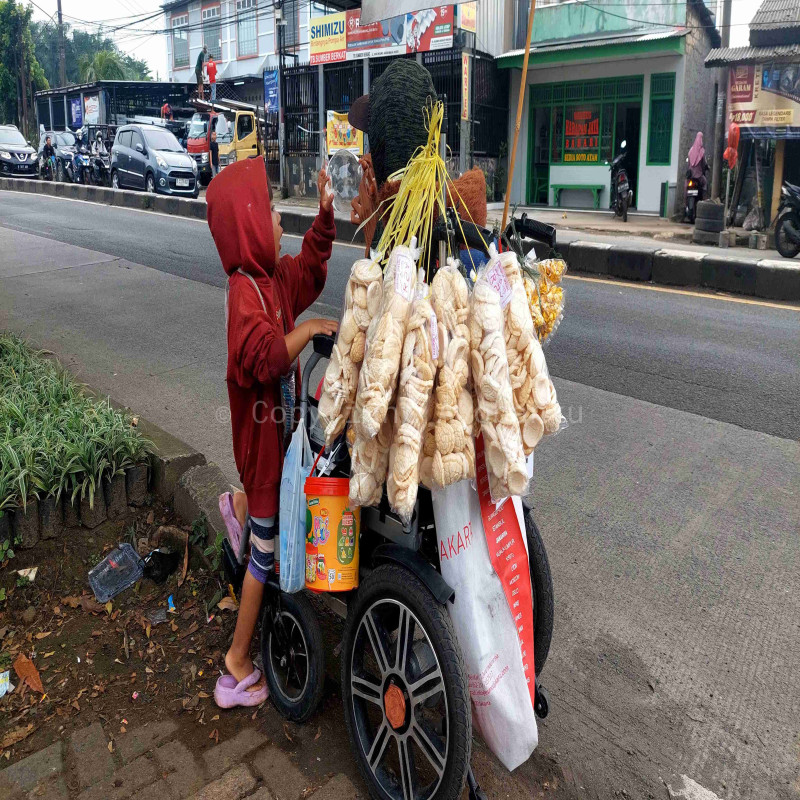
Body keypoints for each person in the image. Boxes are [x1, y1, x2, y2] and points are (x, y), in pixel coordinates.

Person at [208, 158, 336, 707]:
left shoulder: (270, 279)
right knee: (263, 556)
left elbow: (307, 269)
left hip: (275, 440)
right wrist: (307, 330)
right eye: (272, 212)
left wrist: (325, 215)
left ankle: (239, 506)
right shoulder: (244, 293)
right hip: (261, 450)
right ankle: (236, 664)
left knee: (269, 516)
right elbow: (264, 357)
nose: (280, 220)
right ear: (250, 226)